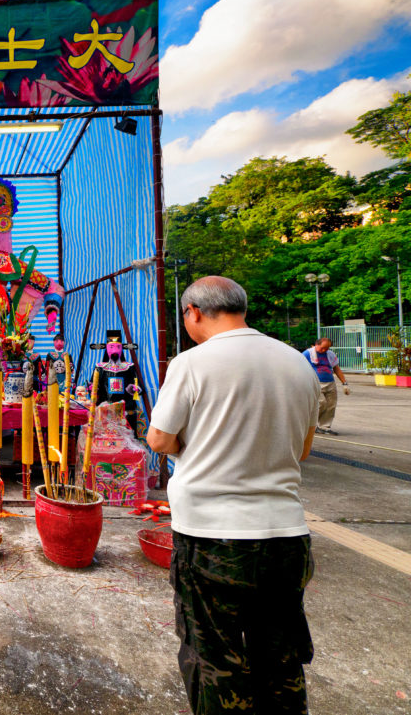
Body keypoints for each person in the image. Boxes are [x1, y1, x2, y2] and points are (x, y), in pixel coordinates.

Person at [146, 276, 320, 715]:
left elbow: (160, 440)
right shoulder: (297, 363)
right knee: (281, 659)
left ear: (194, 312)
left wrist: (203, 447)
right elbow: (303, 448)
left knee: (216, 659)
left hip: (213, 538)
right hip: (286, 536)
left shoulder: (192, 363)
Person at [302, 337, 349, 435]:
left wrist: (344, 383)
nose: (324, 350)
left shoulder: (330, 354)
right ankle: (311, 425)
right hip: (315, 383)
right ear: (316, 344)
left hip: (330, 383)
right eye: (322, 348)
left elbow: (336, 369)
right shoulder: (307, 354)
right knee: (321, 403)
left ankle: (324, 427)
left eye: (327, 348)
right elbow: (299, 367)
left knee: (331, 405)